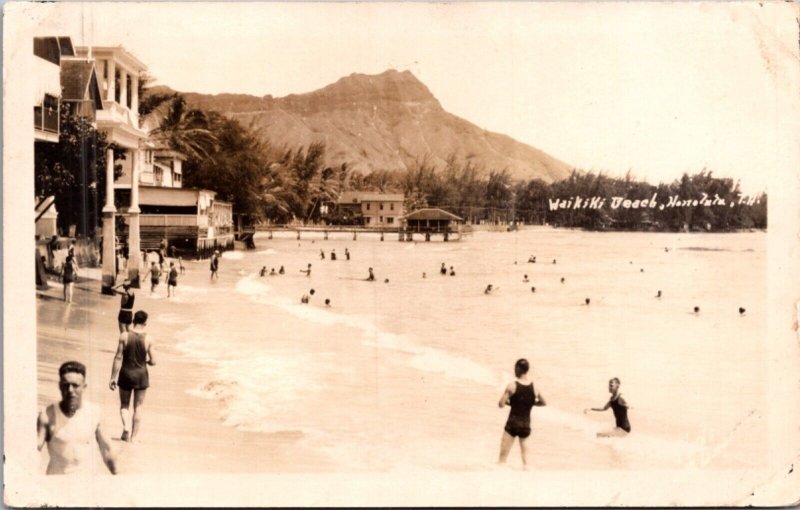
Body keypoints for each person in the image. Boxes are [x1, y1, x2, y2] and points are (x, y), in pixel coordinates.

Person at [37, 361, 117, 475]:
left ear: (84, 387)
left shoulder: (94, 413)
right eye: (66, 385)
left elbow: (107, 450)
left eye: (75, 385)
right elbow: (34, 450)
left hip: (86, 483)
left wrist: (118, 478)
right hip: (56, 485)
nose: (70, 390)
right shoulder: (47, 415)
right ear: (60, 386)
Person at [109, 311, 156, 442]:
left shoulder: (124, 336)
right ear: (145, 323)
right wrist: (145, 362)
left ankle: (126, 428)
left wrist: (113, 377)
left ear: (134, 320)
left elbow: (118, 357)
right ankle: (134, 438)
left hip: (126, 373)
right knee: (138, 407)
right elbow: (154, 361)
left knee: (124, 405)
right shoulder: (149, 339)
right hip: (141, 375)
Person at [498, 359, 545, 468]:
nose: (514, 370)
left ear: (519, 369)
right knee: (526, 463)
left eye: (515, 368)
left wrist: (512, 403)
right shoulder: (534, 387)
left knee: (502, 460)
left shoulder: (512, 386)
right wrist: (531, 403)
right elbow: (543, 402)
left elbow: (501, 404)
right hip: (525, 425)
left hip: (512, 424)